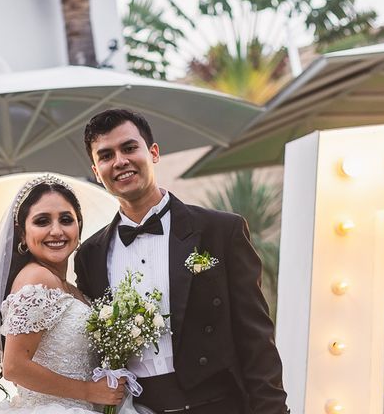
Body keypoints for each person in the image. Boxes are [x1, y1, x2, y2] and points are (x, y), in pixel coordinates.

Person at [75, 109, 290, 414]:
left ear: (153, 153)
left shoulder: (220, 231)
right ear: (97, 171)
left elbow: (256, 337)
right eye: (106, 155)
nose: (120, 161)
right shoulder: (90, 255)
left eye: (129, 148)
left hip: (220, 405)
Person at [0, 174, 131, 413]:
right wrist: (88, 390)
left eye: (66, 219)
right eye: (42, 221)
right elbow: (14, 367)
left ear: (78, 226)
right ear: (22, 233)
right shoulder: (36, 279)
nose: (56, 231)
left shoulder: (72, 288)